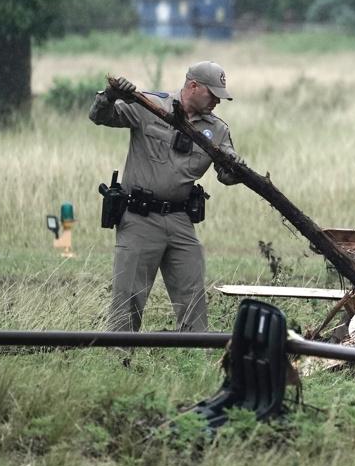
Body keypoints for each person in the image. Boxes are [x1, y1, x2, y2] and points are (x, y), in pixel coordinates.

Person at [89, 61, 242, 332]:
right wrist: (111, 94)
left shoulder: (217, 130)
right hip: (139, 217)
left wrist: (234, 167)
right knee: (128, 301)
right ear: (193, 86)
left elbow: (226, 176)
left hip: (181, 221)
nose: (218, 101)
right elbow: (100, 116)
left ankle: (196, 364)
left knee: (193, 300)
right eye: (213, 94)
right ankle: (119, 362)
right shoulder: (150, 106)